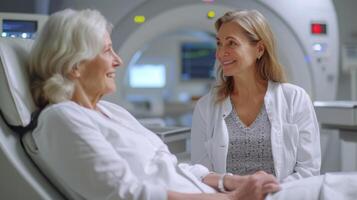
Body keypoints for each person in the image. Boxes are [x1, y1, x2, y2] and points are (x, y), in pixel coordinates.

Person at [28, 8, 280, 200]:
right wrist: (231, 198)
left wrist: (231, 182)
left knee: (316, 187)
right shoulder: (62, 118)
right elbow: (127, 193)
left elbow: (168, 166)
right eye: (107, 51)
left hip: (206, 191)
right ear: (75, 66)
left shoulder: (109, 111)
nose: (118, 60)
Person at [191, 10, 321, 183]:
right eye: (219, 43)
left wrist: (267, 193)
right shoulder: (206, 106)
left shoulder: (295, 99)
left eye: (231, 43)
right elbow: (202, 175)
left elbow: (309, 171)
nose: (221, 53)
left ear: (259, 49)